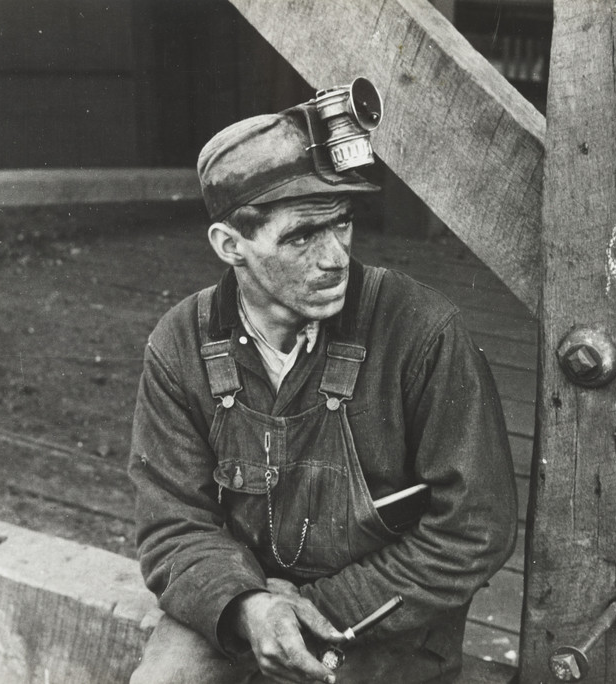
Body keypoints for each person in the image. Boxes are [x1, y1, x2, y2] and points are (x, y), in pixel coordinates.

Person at [128, 97, 517, 684]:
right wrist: (250, 610)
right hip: (242, 605)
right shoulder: (180, 344)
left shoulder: (422, 331)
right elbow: (172, 523)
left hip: (380, 622)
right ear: (230, 245)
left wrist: (315, 611)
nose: (335, 257)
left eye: (341, 223)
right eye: (303, 235)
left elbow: (473, 529)